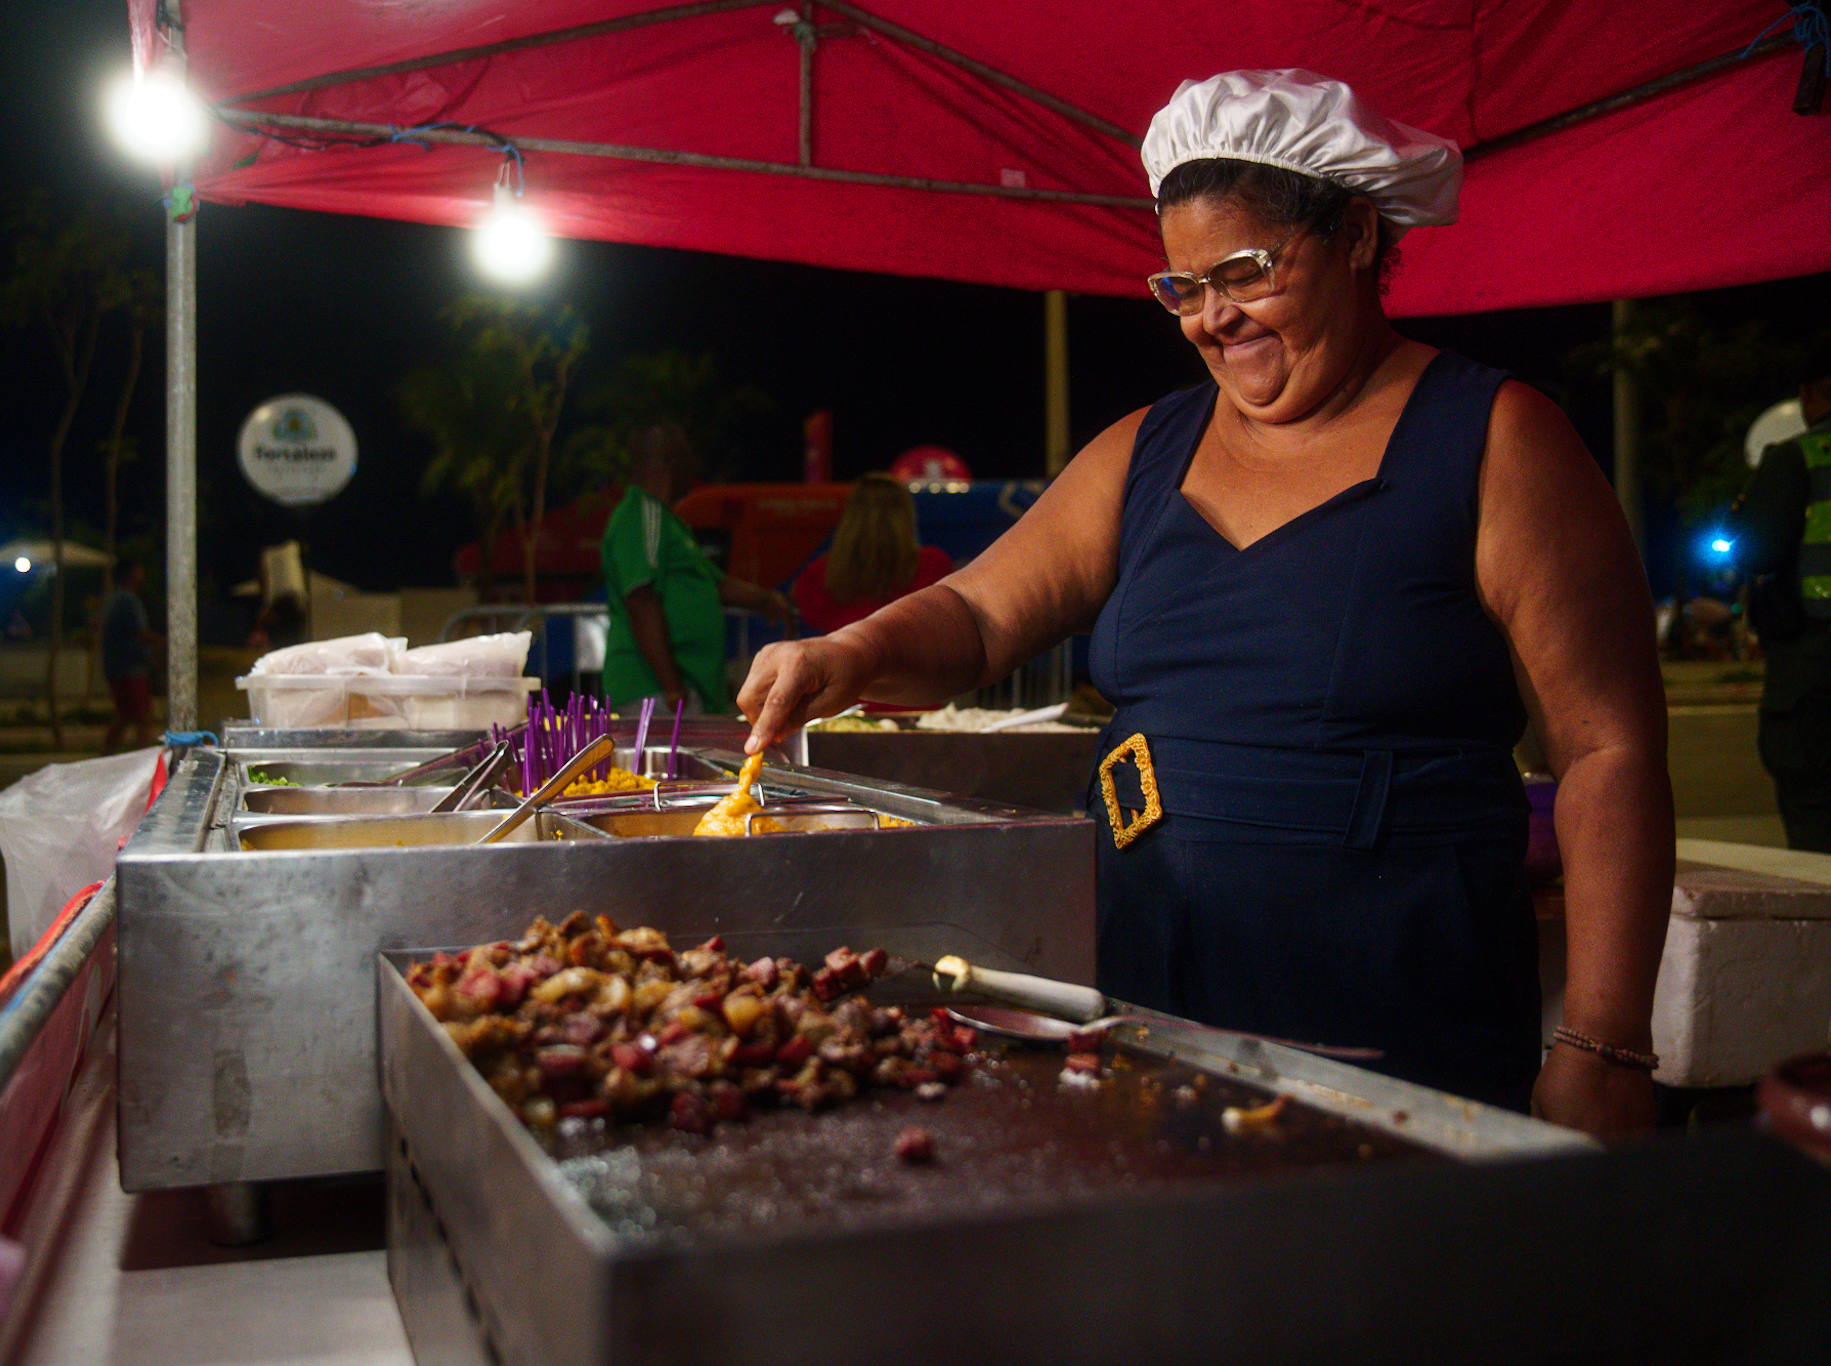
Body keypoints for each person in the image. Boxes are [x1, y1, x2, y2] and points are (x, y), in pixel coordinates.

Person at [736, 70, 1671, 1139]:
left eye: (1243, 272)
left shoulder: (1494, 439)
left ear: (1357, 235)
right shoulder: (1143, 449)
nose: (1211, 319)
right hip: (1148, 991)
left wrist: (1601, 1043)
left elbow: (1607, 751)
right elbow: (980, 617)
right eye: (1180, 287)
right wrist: (849, 652)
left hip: (1402, 1014)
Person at [600, 422, 796, 712]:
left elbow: (716, 584)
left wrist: (768, 600)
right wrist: (673, 689)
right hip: (656, 691)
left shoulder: (669, 523)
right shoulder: (643, 514)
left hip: (682, 689)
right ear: (673, 462)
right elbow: (640, 599)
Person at [1729, 348, 1831, 850]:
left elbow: (1754, 550)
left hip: (1815, 672)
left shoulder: (1797, 457)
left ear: (1810, 395)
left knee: (1817, 828)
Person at [792, 473, 955, 635]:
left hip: (845, 658)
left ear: (850, 516)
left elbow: (808, 616)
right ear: (906, 515)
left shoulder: (819, 573)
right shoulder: (933, 565)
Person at [102, 556, 164, 754]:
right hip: (130, 667)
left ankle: (105, 755)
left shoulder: (113, 599)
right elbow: (140, 632)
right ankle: (145, 761)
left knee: (126, 715)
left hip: (117, 666)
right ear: (130, 574)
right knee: (143, 716)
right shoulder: (128, 599)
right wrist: (167, 642)